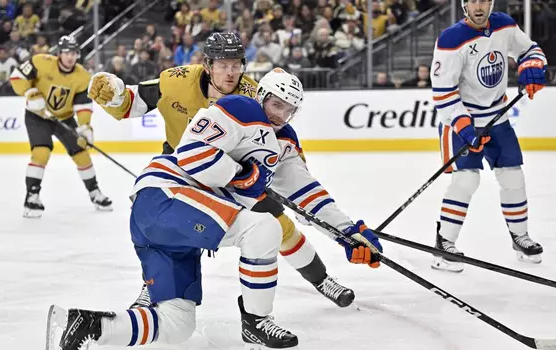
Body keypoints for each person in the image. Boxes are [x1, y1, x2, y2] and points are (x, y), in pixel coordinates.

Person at [46, 69, 381, 350]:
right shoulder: (241, 109)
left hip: (172, 226)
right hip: (167, 194)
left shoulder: (284, 144)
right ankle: (256, 322)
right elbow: (192, 154)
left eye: (288, 109)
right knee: (264, 228)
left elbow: (307, 194)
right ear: (261, 96)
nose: (280, 115)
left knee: (177, 325)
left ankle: (84, 326)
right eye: (276, 104)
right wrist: (240, 173)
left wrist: (348, 233)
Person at [88, 32, 359, 309]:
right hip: (181, 171)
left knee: (281, 226)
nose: (231, 73)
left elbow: (276, 150)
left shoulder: (256, 98)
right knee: (172, 231)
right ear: (208, 66)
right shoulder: (177, 80)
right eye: (223, 65)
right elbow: (133, 103)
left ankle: (322, 279)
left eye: (236, 65)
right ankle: (152, 287)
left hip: (232, 177)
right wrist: (116, 95)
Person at [429, 0, 547, 272]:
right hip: (461, 121)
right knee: (466, 180)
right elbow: (443, 93)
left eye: (484, 0)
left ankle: (520, 237)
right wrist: (465, 127)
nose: (479, 6)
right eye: (473, 1)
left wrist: (532, 65)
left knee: (513, 176)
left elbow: (530, 49)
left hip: (497, 118)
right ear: (464, 5)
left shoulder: (504, 24)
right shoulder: (451, 40)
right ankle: (444, 243)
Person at [9, 35, 112, 218]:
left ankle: (95, 192)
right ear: (59, 53)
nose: (70, 57)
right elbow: (17, 77)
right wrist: (31, 93)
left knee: (81, 152)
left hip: (64, 118)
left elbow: (82, 105)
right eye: (66, 53)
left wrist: (85, 127)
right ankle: (32, 196)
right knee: (41, 152)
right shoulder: (41, 61)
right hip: (37, 116)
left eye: (74, 53)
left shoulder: (82, 76)